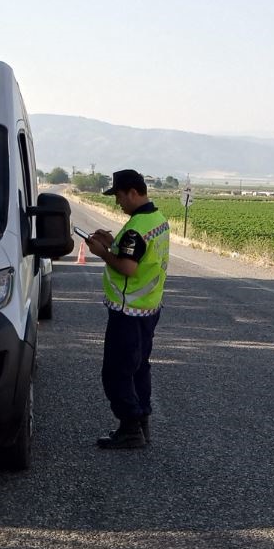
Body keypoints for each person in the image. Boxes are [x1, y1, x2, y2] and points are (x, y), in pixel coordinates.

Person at [84, 169, 170, 449]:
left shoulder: (136, 228)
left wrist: (102, 253)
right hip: (148, 309)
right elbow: (137, 255)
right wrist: (112, 244)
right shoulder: (157, 220)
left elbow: (127, 266)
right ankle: (142, 421)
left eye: (119, 197)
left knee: (117, 371)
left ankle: (130, 428)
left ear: (133, 192)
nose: (118, 203)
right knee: (138, 368)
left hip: (128, 310)